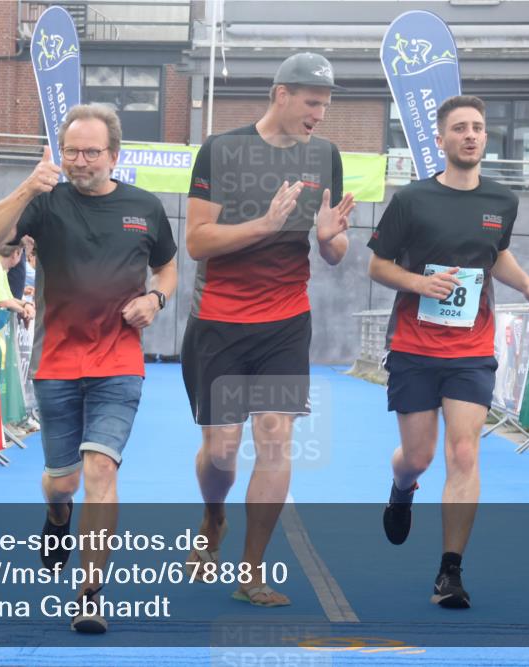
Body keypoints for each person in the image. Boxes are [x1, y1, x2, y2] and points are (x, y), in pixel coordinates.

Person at [0, 103, 178, 634]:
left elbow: (168, 264)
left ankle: (89, 592)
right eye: (72, 151)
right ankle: (56, 517)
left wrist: (156, 298)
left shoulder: (145, 206)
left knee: (100, 471)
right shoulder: (46, 202)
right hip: (57, 359)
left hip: (119, 359)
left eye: (92, 152)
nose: (80, 161)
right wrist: (27, 188)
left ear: (114, 155)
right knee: (62, 481)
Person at [181, 52, 355, 607]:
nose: (319, 115)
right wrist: (265, 224)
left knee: (276, 439)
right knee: (222, 449)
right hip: (219, 322)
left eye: (326, 105)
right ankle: (213, 519)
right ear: (281, 94)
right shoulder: (222, 150)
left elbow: (333, 252)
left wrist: (329, 237)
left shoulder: (325, 156)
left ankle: (251, 571)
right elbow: (197, 242)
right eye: (311, 102)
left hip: (284, 322)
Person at [367, 95, 529, 610]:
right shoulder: (411, 201)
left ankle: (450, 572)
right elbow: (378, 267)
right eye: (460, 128)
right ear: (442, 140)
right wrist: (418, 285)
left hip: (471, 347)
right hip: (414, 346)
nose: (471, 135)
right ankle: (402, 488)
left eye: (477, 128)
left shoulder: (501, 201)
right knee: (420, 456)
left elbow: (498, 256)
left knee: (464, 452)